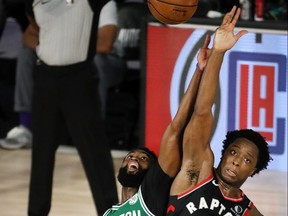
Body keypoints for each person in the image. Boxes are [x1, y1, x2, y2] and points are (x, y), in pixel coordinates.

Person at [166, 6, 272, 215]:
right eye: (233, 152)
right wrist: (219, 52)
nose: (236, 160)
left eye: (247, 160)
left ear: (253, 171)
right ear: (223, 154)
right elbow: (203, 111)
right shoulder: (195, 173)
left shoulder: (246, 211)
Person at [103, 20, 214, 215]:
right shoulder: (110, 213)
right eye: (131, 156)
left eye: (143, 158)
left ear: (155, 169)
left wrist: (200, 70)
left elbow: (176, 128)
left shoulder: (152, 190)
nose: (134, 158)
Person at [25, 0, 119, 215]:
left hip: (79, 80)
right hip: (44, 80)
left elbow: (106, 42)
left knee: (95, 154)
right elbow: (31, 31)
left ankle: (110, 212)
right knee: (41, 153)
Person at [0, 17, 38, 150]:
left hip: (76, 54)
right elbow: (27, 37)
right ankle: (26, 127)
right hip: (47, 50)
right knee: (25, 54)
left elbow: (104, 44)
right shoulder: (44, 8)